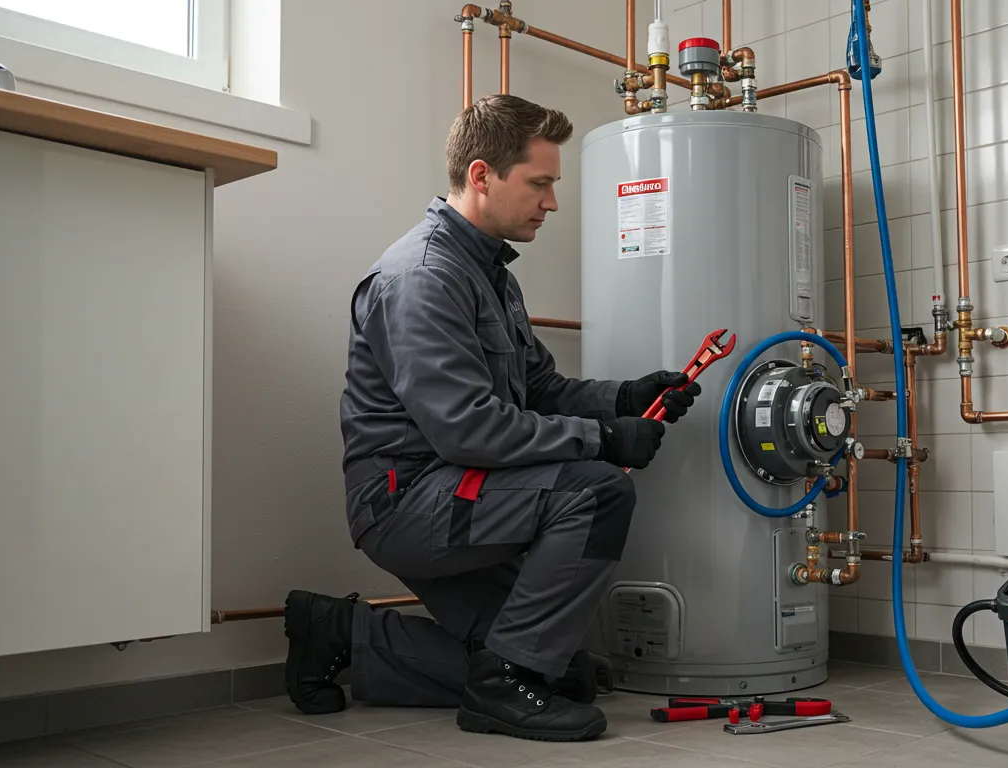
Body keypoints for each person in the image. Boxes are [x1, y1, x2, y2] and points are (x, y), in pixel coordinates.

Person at [281, 94, 700, 743]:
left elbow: (539, 388)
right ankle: (500, 692)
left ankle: (342, 632)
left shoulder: (490, 274)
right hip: (409, 500)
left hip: (462, 489)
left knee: (562, 676)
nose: (552, 202)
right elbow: (467, 428)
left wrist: (627, 396)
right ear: (482, 176)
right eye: (540, 183)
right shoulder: (421, 278)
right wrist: (606, 438)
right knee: (596, 490)